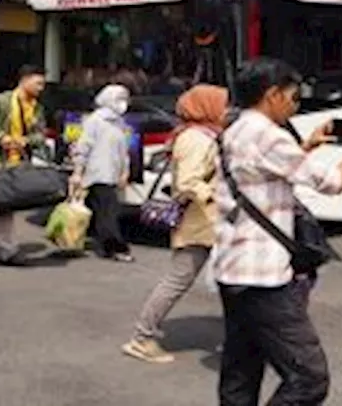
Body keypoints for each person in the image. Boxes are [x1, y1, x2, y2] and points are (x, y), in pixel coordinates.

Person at [215, 58, 342, 406]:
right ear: (272, 95)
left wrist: (309, 146)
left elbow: (261, 172)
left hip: (233, 270)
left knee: (241, 373)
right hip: (265, 278)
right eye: (293, 97)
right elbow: (332, 183)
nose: (295, 104)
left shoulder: (234, 129)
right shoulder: (269, 135)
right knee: (309, 378)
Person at [123, 84, 228, 364]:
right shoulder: (197, 138)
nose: (226, 110)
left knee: (229, 282)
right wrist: (216, 198)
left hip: (206, 221)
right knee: (177, 281)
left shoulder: (201, 134)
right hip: (200, 222)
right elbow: (188, 182)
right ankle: (141, 337)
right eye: (221, 104)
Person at [0, 64, 49, 266]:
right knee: (3, 204)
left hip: (19, 163)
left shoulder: (37, 108)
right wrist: (0, 136)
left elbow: (41, 135)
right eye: (38, 83)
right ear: (24, 80)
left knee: (4, 205)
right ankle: (5, 247)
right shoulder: (0, 101)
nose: (41, 88)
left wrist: (25, 141)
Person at [70, 84, 134, 262]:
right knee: (108, 211)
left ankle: (82, 240)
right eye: (119, 99)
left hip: (113, 173)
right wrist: (78, 171)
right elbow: (83, 147)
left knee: (98, 210)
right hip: (98, 173)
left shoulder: (120, 123)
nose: (123, 103)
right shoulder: (94, 121)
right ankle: (114, 247)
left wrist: (124, 171)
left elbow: (124, 150)